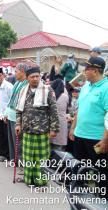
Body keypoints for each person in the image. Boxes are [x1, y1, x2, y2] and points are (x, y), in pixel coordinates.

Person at [69, 56, 108, 198]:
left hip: (97, 140)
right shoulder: (86, 86)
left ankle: (101, 201)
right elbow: (80, 109)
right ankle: (79, 200)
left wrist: (105, 139)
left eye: (87, 69)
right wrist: (73, 128)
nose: (84, 72)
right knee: (80, 170)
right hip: (80, 136)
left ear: (96, 71)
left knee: (100, 173)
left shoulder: (106, 88)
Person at [16, 66, 59, 186]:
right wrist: (18, 124)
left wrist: (54, 129)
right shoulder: (23, 90)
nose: (35, 79)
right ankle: (29, 179)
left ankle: (40, 182)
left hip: (42, 131)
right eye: (32, 77)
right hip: (27, 130)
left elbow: (54, 111)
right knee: (28, 157)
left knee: (41, 158)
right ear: (27, 78)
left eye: (37, 76)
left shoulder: (48, 90)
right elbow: (19, 110)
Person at [4, 63, 28, 166]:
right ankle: (14, 159)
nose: (15, 74)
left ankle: (21, 163)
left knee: (19, 142)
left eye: (16, 71)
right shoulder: (17, 83)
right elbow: (11, 99)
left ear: (22, 72)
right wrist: (6, 113)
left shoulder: (27, 84)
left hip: (18, 117)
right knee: (12, 140)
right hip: (10, 114)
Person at [0, 67, 13, 161]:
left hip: (7, 115)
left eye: (0, 76)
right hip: (0, 113)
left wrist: (6, 114)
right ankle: (1, 151)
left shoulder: (9, 86)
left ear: (3, 75)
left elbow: (12, 101)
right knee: (0, 133)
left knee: (6, 135)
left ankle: (7, 155)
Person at [50, 79, 69, 151]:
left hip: (51, 122)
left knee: (49, 146)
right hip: (61, 122)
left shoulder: (50, 95)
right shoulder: (65, 96)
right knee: (58, 148)